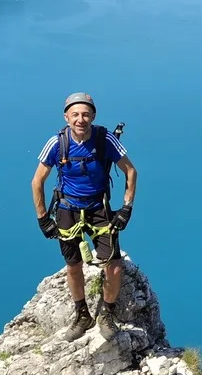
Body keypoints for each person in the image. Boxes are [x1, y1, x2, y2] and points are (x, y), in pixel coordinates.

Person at [32, 92, 138, 340]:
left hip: (98, 208)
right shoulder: (57, 143)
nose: (81, 119)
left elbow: (131, 171)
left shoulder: (105, 139)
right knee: (73, 265)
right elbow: (37, 181)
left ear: (93, 116)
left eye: (86, 114)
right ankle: (83, 315)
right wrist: (43, 218)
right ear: (66, 117)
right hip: (68, 208)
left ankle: (107, 315)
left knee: (112, 265)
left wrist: (126, 208)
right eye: (76, 114)